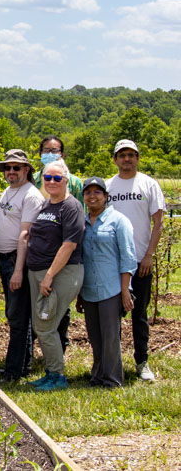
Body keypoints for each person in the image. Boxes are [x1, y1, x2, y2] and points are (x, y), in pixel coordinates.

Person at [106, 139, 165, 382]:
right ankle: (113, 363)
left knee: (139, 314)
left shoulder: (148, 184)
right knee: (113, 315)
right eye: (122, 155)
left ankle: (142, 362)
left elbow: (159, 222)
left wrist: (149, 255)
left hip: (141, 262)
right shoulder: (108, 186)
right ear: (115, 159)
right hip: (111, 263)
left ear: (137, 158)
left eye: (131, 155)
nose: (127, 159)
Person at [25, 158, 85, 391]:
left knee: (46, 324)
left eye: (57, 178)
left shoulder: (71, 207)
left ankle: (57, 377)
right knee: (42, 323)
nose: (51, 182)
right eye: (47, 178)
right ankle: (51, 372)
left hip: (61, 273)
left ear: (66, 180)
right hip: (39, 271)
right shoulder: (46, 204)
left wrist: (49, 276)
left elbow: (69, 244)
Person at [76, 176, 136, 388]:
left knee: (111, 337)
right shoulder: (82, 222)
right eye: (88, 193)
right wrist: (80, 293)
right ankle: (98, 375)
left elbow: (128, 258)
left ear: (106, 196)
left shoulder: (119, 221)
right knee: (95, 336)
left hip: (111, 289)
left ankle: (112, 379)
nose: (92, 196)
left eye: (97, 192)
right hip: (90, 289)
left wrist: (125, 290)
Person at [0, 149, 45, 384]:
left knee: (18, 317)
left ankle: (13, 370)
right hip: (5, 259)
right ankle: (23, 365)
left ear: (27, 170)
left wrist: (19, 270)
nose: (11, 171)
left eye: (16, 167)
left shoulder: (31, 195)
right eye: (8, 168)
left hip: (16, 260)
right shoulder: (10, 190)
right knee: (18, 314)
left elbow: (26, 234)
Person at [32, 135, 83, 202]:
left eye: (54, 150)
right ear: (40, 154)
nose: (50, 154)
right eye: (46, 150)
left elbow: (81, 210)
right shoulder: (32, 180)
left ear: (62, 154)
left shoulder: (75, 183)